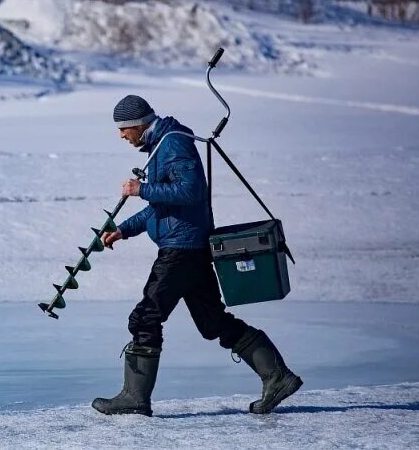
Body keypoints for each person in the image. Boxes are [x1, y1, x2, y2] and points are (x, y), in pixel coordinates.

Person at [92, 95, 302, 417]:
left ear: (137, 124)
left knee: (147, 316)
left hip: (181, 249)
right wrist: (124, 229)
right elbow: (164, 206)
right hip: (188, 245)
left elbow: (191, 192)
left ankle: (135, 398)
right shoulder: (162, 144)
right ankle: (278, 376)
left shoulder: (173, 143)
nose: (121, 136)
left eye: (123, 130)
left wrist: (140, 189)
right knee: (212, 321)